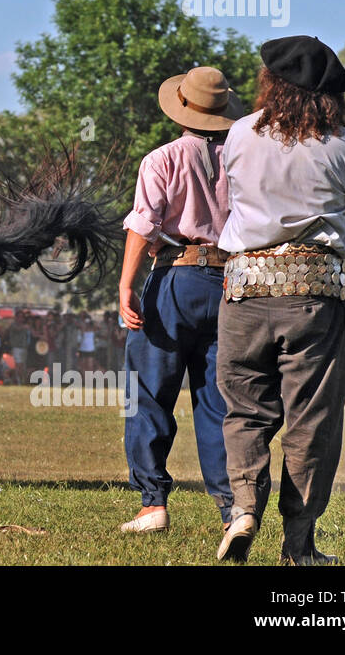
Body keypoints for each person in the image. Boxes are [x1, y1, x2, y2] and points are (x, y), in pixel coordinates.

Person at [214, 36, 345, 565]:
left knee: (244, 409)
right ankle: (299, 545)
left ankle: (243, 508)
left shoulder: (240, 133)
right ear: (330, 94)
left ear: (272, 83)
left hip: (242, 290)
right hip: (312, 293)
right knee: (312, 419)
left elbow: (231, 196)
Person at [118, 65, 243, 535]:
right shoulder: (243, 160)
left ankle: (153, 504)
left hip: (174, 277)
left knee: (149, 393)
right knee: (218, 399)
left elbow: (144, 224)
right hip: (229, 282)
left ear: (182, 109)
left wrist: (126, 284)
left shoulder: (162, 158)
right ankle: (233, 509)